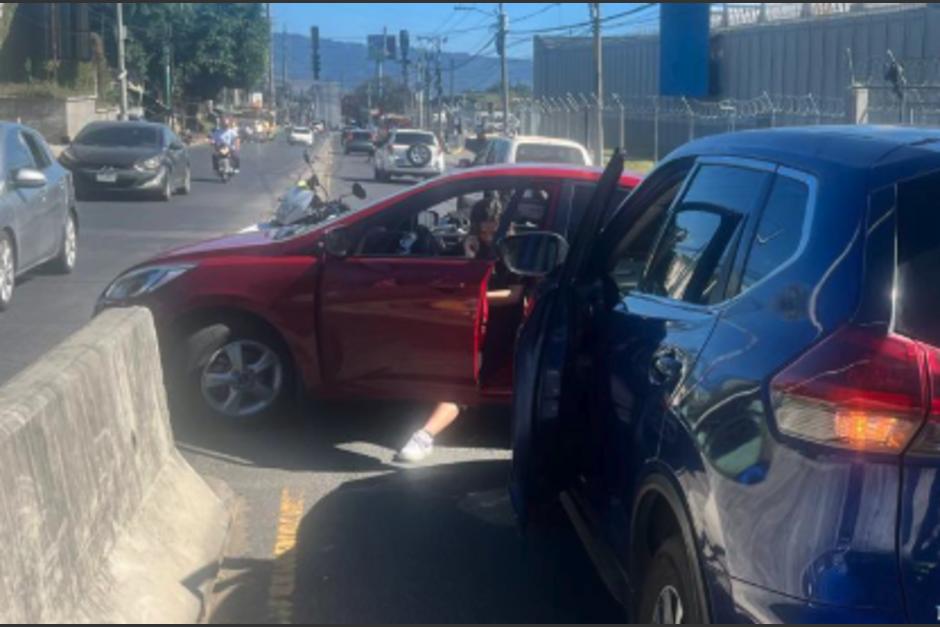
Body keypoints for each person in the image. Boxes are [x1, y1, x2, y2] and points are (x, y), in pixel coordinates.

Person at [397, 195, 523, 463]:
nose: (488, 236)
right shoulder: (471, 245)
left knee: (459, 385)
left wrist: (477, 297)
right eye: (483, 230)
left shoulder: (514, 251)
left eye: (493, 230)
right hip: (468, 322)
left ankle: (425, 434)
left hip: (498, 329)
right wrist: (469, 258)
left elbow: (513, 295)